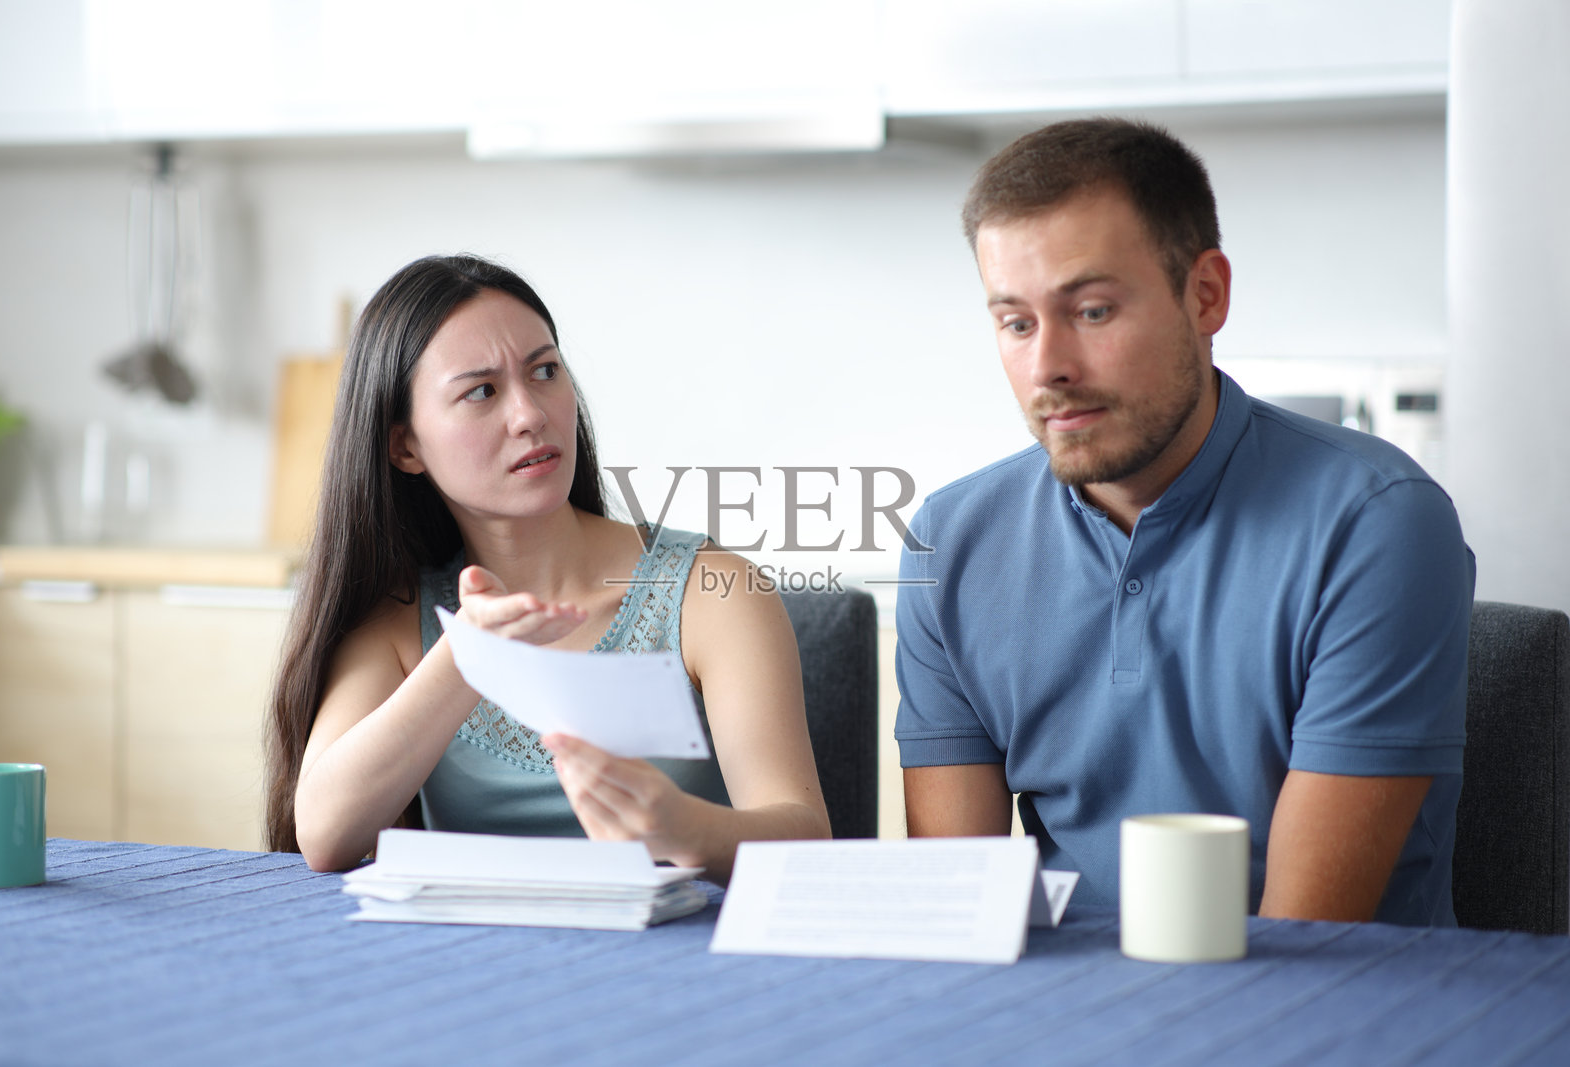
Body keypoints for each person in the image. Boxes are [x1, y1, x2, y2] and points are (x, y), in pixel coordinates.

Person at [894, 118, 1473, 926]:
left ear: (1206, 295)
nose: (1048, 365)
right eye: (1016, 322)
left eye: (1091, 311)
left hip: (1318, 1017)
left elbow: (1301, 936)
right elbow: (957, 913)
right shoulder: (948, 542)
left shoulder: (1376, 525)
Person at [265, 254, 829, 880]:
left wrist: (685, 828)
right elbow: (323, 834)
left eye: (544, 372)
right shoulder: (397, 622)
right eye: (481, 391)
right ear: (406, 446)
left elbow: (805, 834)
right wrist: (465, 657)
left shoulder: (710, 591)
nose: (530, 414)